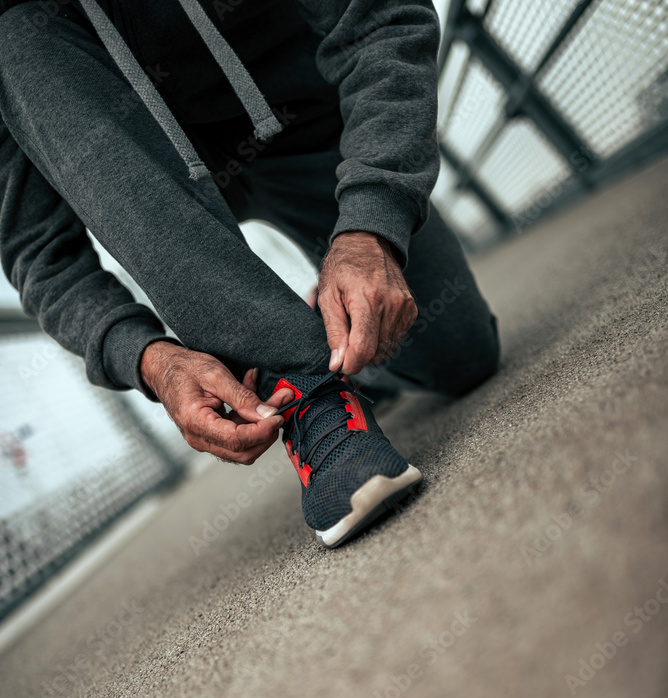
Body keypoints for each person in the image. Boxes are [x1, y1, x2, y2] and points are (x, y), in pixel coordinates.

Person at [0, 0, 499, 547]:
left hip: (306, 129)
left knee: (461, 355)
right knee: (14, 37)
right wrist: (146, 358)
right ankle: (305, 383)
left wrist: (371, 225)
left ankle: (329, 336)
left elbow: (384, 17)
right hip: (156, 187)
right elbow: (37, 250)